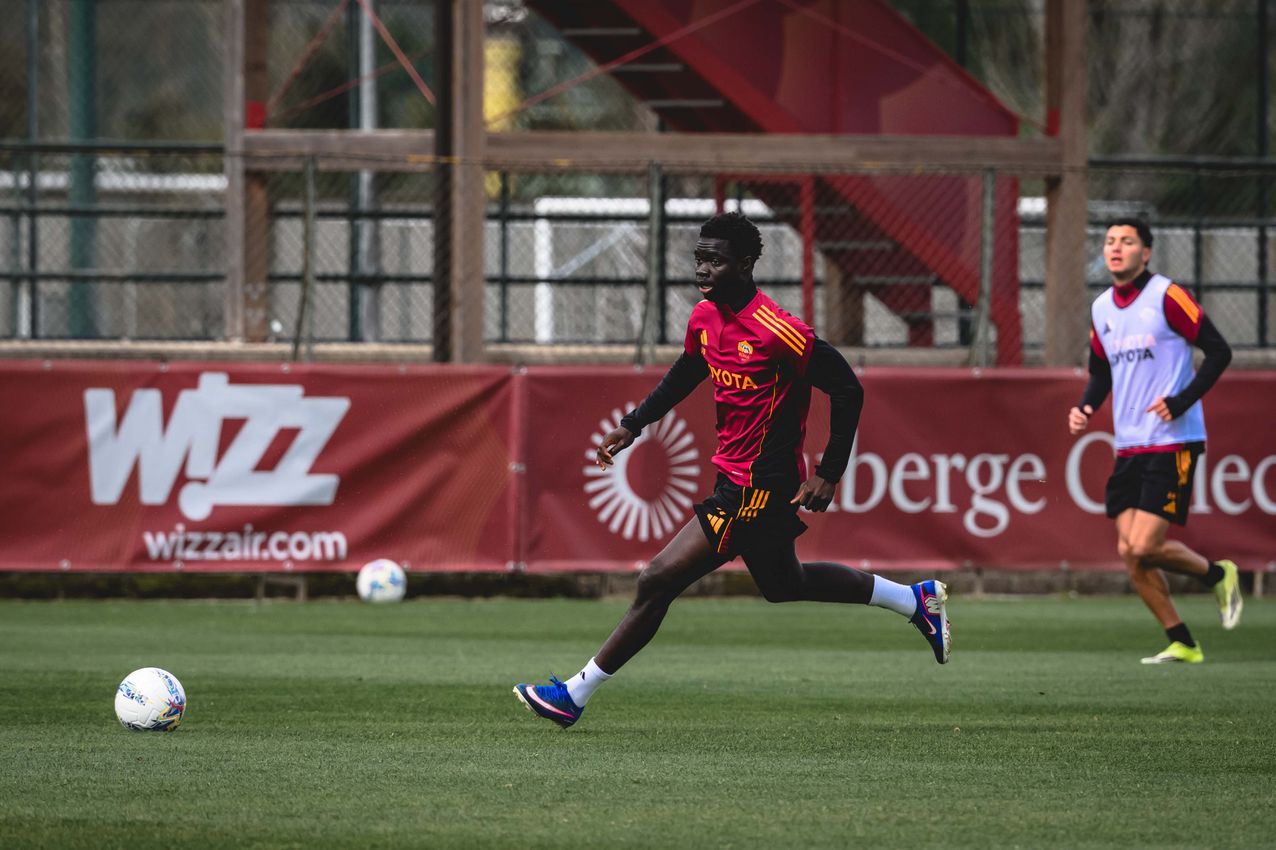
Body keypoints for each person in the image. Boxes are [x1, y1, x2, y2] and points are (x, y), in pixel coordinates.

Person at [514, 212, 950, 729]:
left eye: (715, 260)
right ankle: (914, 600)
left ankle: (573, 695)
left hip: (758, 486)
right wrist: (635, 424)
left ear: (745, 264)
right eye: (699, 257)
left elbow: (847, 388)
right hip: (734, 477)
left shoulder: (779, 331)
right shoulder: (705, 316)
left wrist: (829, 471)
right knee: (783, 582)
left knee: (656, 581)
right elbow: (689, 369)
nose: (703, 268)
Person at [1068, 217, 1241, 664]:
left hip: (1173, 439)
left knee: (1143, 545)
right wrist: (1086, 407)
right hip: (1129, 445)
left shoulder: (1167, 295)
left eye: (1127, 241)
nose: (1116, 248)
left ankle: (1217, 574)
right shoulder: (1102, 307)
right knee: (1131, 554)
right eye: (1109, 241)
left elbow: (1219, 350)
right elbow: (1101, 371)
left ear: (1146, 252)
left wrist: (1182, 400)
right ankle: (1182, 640)